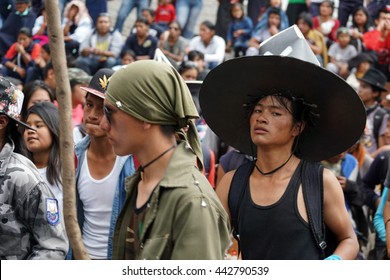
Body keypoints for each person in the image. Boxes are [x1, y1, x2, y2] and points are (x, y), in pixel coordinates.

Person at [200, 26, 364, 260]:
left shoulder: (319, 182)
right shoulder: (231, 183)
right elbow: (210, 241)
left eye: (276, 113)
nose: (261, 117)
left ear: (297, 127)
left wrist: (333, 264)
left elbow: (349, 240)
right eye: (257, 110)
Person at [101, 60, 230, 259]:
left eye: (110, 113)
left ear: (145, 114)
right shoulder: (141, 181)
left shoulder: (192, 202)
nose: (103, 124)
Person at [68, 68, 135, 260]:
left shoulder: (133, 160)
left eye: (103, 109)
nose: (93, 115)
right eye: (89, 105)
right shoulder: (73, 157)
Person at [0, 76, 68, 259]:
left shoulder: (23, 178)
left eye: (39, 125)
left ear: (2, 123)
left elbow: (53, 248)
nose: (32, 130)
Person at [21, 102, 63, 218]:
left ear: (53, 128)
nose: (30, 130)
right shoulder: (19, 170)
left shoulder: (68, 169)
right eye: (27, 126)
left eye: (38, 125)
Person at [357, 67, 389, 156]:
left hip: (369, 160)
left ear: (375, 93)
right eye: (360, 85)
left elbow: (381, 147)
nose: (360, 89)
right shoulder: (355, 110)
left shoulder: (381, 115)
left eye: (364, 87)